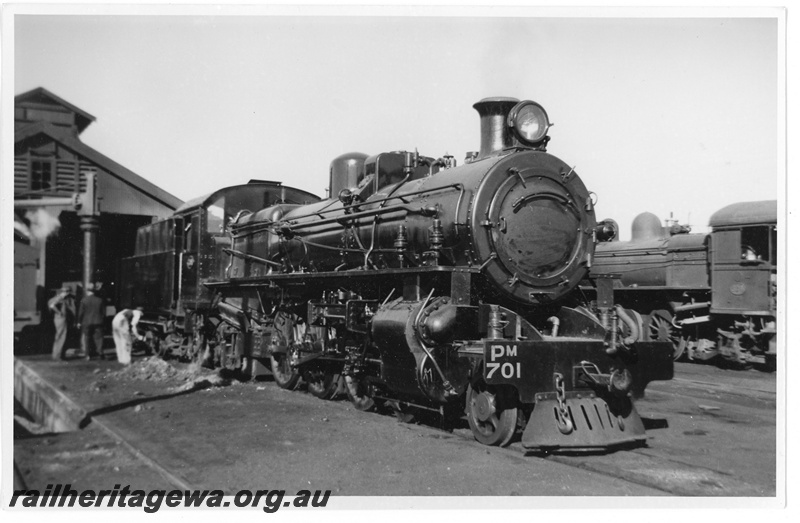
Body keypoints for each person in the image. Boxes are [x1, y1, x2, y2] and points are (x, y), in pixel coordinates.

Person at [77, 284, 106, 360]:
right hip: (98, 321)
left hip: (86, 322)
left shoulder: (84, 300)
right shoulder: (100, 300)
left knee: (87, 338)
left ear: (87, 291)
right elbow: (103, 313)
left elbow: (81, 313)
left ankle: (88, 355)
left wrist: (79, 322)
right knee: (99, 338)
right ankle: (100, 353)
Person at [48, 286, 75, 360]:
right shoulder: (60, 298)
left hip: (58, 319)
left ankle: (56, 355)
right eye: (68, 292)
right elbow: (52, 305)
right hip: (61, 319)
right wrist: (59, 312)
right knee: (61, 336)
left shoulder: (58, 298)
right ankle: (58, 356)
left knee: (59, 336)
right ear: (66, 292)